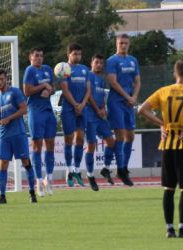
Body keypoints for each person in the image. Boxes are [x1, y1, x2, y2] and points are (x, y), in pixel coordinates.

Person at [138, 60, 183, 238]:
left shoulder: (163, 91)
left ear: (175, 74)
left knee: (168, 188)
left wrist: (162, 124)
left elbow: (142, 109)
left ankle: (169, 228)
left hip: (168, 145)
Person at [0, 69, 37, 204]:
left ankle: (32, 192)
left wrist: (9, 118)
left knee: (25, 161)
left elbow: (24, 109)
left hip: (18, 133)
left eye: (1, 79)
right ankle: (2, 195)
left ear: (6, 79)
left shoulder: (15, 92)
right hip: (4, 136)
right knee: (3, 164)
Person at [106, 34, 141, 186]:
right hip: (116, 102)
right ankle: (119, 169)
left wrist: (133, 97)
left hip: (129, 102)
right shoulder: (112, 61)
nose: (123, 45)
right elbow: (113, 82)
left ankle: (124, 167)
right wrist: (128, 96)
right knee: (120, 136)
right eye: (121, 43)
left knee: (131, 137)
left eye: (126, 43)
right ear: (116, 44)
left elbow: (138, 81)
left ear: (129, 44)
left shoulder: (133, 60)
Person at [23, 47, 56, 196]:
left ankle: (49, 179)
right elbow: (27, 91)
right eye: (36, 55)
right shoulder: (30, 71)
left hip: (48, 111)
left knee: (50, 145)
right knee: (37, 146)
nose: (39, 58)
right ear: (30, 57)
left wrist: (49, 91)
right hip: (35, 112)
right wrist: (42, 86)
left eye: (41, 56)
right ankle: (38, 180)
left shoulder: (48, 69)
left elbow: (53, 88)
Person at [84, 54, 117, 191]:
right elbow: (89, 95)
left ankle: (105, 168)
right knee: (91, 145)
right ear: (91, 63)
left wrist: (103, 108)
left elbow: (101, 96)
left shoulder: (101, 80)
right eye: (96, 62)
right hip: (90, 115)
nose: (99, 65)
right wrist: (97, 109)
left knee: (111, 141)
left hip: (99, 115)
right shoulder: (88, 76)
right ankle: (90, 176)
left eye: (101, 63)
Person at [60, 43, 91, 187]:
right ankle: (69, 170)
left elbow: (88, 90)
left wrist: (82, 105)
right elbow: (65, 90)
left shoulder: (85, 69)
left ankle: (77, 170)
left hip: (82, 108)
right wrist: (75, 105)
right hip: (68, 108)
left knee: (80, 139)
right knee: (68, 139)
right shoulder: (64, 69)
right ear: (69, 55)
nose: (77, 56)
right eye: (74, 54)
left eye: (79, 54)